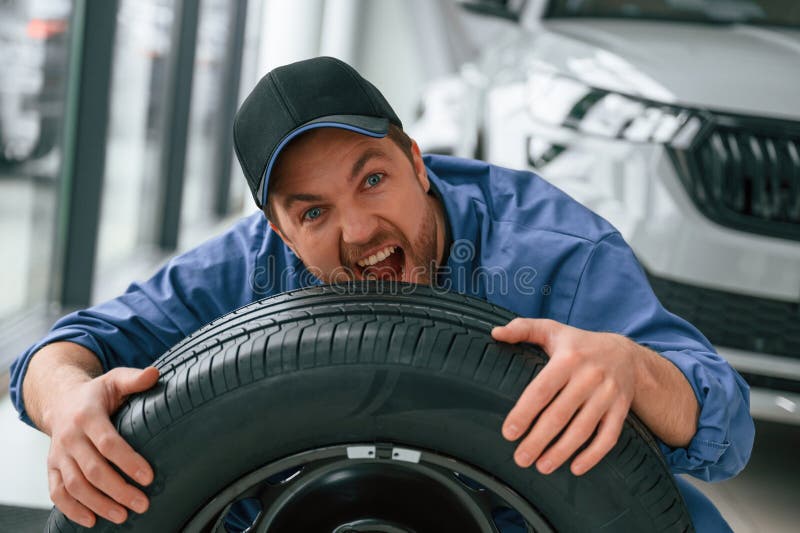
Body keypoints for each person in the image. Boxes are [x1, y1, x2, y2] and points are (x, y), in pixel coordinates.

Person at [9, 56, 753, 531]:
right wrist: (68, 402)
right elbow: (61, 351)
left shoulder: (553, 253)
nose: (360, 229)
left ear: (418, 163)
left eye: (372, 178)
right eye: (313, 212)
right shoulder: (244, 268)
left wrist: (631, 367)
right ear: (278, 230)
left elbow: (725, 427)